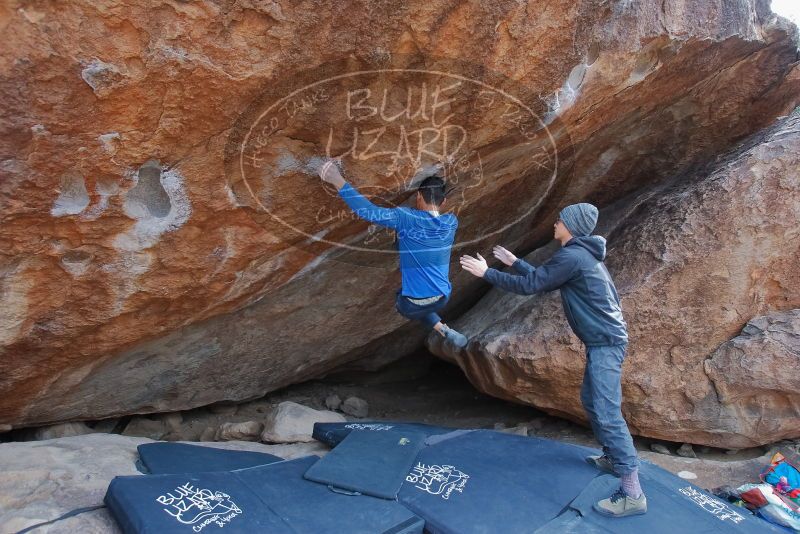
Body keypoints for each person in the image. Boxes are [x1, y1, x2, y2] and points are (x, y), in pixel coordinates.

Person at [459, 203, 646, 518]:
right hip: (604, 342)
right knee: (592, 400)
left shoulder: (573, 256)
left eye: (561, 219)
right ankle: (614, 459)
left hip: (607, 343)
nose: (556, 222)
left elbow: (531, 286)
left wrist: (486, 272)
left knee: (606, 410)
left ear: (571, 226)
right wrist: (515, 262)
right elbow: (543, 278)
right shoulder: (579, 256)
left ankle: (632, 492)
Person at [318, 159, 468, 348]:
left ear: (419, 197)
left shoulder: (405, 217)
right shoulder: (451, 222)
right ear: (444, 201)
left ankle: (442, 328)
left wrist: (337, 179)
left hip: (412, 304)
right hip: (443, 297)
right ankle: (443, 329)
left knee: (405, 299)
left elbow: (370, 213)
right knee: (419, 294)